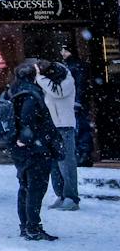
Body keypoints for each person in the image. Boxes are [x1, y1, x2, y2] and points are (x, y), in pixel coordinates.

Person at [9, 62, 63, 241]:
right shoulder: (31, 93)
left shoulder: (14, 90)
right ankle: (32, 227)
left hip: (22, 150)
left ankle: (26, 225)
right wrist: (26, 139)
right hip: (35, 149)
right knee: (36, 188)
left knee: (25, 186)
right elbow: (27, 118)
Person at [43, 62, 80, 211]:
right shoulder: (49, 83)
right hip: (52, 126)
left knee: (66, 162)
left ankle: (71, 197)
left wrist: (40, 78)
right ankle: (61, 195)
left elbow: (57, 93)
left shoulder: (67, 81)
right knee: (54, 163)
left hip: (65, 125)